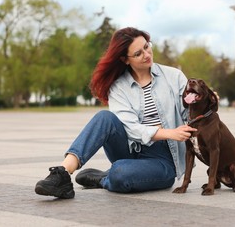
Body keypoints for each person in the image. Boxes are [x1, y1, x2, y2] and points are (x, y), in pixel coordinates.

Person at [35, 27, 196, 199]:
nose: (147, 54)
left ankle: (105, 178)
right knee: (104, 117)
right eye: (138, 53)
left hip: (164, 160)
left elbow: (190, 114)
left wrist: (204, 101)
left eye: (147, 46)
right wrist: (169, 131)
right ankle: (62, 174)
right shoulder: (119, 87)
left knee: (120, 173)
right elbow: (131, 128)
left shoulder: (174, 76)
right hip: (130, 148)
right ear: (125, 60)